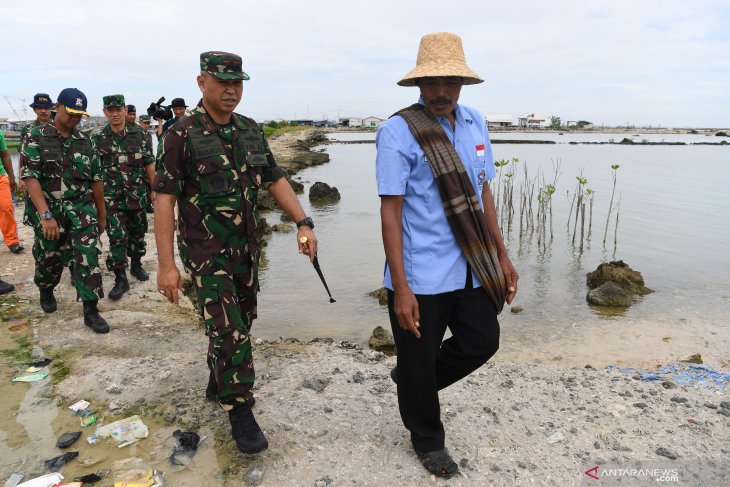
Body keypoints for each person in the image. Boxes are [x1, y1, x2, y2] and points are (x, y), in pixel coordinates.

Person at [154, 51, 317, 455]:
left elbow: (275, 176)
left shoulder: (249, 130)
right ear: (201, 82)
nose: (231, 90)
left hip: (247, 251)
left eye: (237, 83)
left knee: (241, 320)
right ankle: (240, 410)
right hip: (206, 254)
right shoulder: (180, 133)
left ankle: (219, 377)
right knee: (229, 329)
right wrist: (165, 266)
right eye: (223, 82)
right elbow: (163, 199)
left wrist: (302, 222)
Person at [376, 32, 519, 478]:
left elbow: (483, 192)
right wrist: (401, 287)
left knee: (482, 342)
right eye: (433, 82)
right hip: (421, 273)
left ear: (463, 84)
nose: (441, 91)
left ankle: (412, 384)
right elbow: (390, 211)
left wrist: (502, 255)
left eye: (451, 82)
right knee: (418, 359)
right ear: (419, 84)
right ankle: (427, 440)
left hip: (473, 267)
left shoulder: (476, 123)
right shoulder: (397, 131)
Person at [21, 88, 109, 333]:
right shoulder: (36, 135)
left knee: (88, 258)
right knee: (49, 258)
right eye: (71, 113)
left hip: (81, 209)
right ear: (57, 107)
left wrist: (101, 215)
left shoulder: (86, 139)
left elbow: (96, 180)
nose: (75, 119)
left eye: (79, 115)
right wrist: (45, 215)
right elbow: (30, 177)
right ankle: (46, 289)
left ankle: (91, 311)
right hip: (50, 209)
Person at [92, 95, 156, 299]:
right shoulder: (97, 138)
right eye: (110, 110)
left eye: (118, 109)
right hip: (111, 198)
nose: (115, 113)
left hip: (136, 194)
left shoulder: (140, 135)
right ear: (104, 112)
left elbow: (149, 163)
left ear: (125, 109)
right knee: (117, 237)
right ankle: (121, 278)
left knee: (138, 233)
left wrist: (154, 189)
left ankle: (136, 264)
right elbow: (93, 172)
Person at [18, 93, 55, 194]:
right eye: (39, 108)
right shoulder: (27, 129)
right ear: (34, 109)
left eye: (46, 108)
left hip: (55, 176)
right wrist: (21, 177)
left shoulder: (58, 126)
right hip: (33, 175)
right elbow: (22, 156)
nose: (43, 111)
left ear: (51, 108)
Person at [0, 130, 24, 253]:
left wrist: (12, 178)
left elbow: (5, 155)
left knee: (6, 207)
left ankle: (12, 242)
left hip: (0, 177)